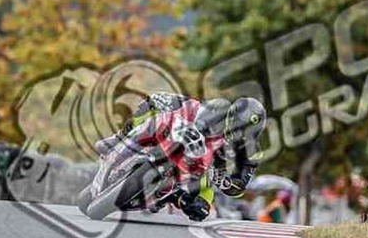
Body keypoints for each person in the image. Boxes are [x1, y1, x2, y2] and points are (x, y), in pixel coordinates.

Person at [94, 93, 266, 221]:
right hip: (189, 136)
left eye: (244, 130)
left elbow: (240, 186)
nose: (238, 132)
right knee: (153, 101)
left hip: (209, 167)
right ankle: (119, 137)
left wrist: (225, 182)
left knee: (201, 209)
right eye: (238, 124)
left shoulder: (252, 151)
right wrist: (166, 103)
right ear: (231, 115)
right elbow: (192, 106)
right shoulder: (218, 107)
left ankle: (175, 196)